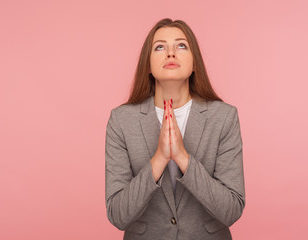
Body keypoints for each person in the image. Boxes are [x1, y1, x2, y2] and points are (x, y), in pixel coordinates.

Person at [105, 18, 245, 240]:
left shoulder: (224, 117)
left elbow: (231, 210)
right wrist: (159, 159)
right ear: (148, 65)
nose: (171, 53)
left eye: (181, 45)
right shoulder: (121, 120)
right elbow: (118, 215)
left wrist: (183, 158)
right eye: (160, 47)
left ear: (194, 62)